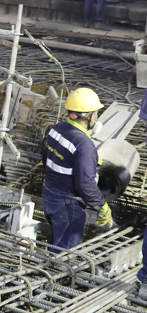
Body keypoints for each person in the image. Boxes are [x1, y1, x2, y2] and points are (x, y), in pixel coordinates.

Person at [43, 88, 112, 249]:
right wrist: (102, 207)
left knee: (57, 238)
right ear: (89, 116)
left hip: (49, 193)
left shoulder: (56, 129)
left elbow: (46, 157)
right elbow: (85, 184)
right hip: (67, 203)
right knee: (66, 250)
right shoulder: (84, 145)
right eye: (96, 113)